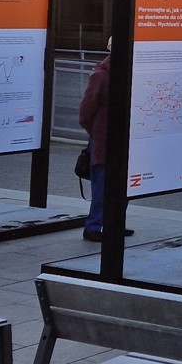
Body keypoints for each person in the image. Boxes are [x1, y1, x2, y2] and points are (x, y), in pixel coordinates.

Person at [75, 45, 132, 243]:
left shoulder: (128, 73)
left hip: (123, 140)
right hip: (105, 141)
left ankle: (114, 223)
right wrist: (96, 132)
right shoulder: (101, 76)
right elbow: (85, 112)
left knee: (123, 185)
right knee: (103, 185)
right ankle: (93, 226)